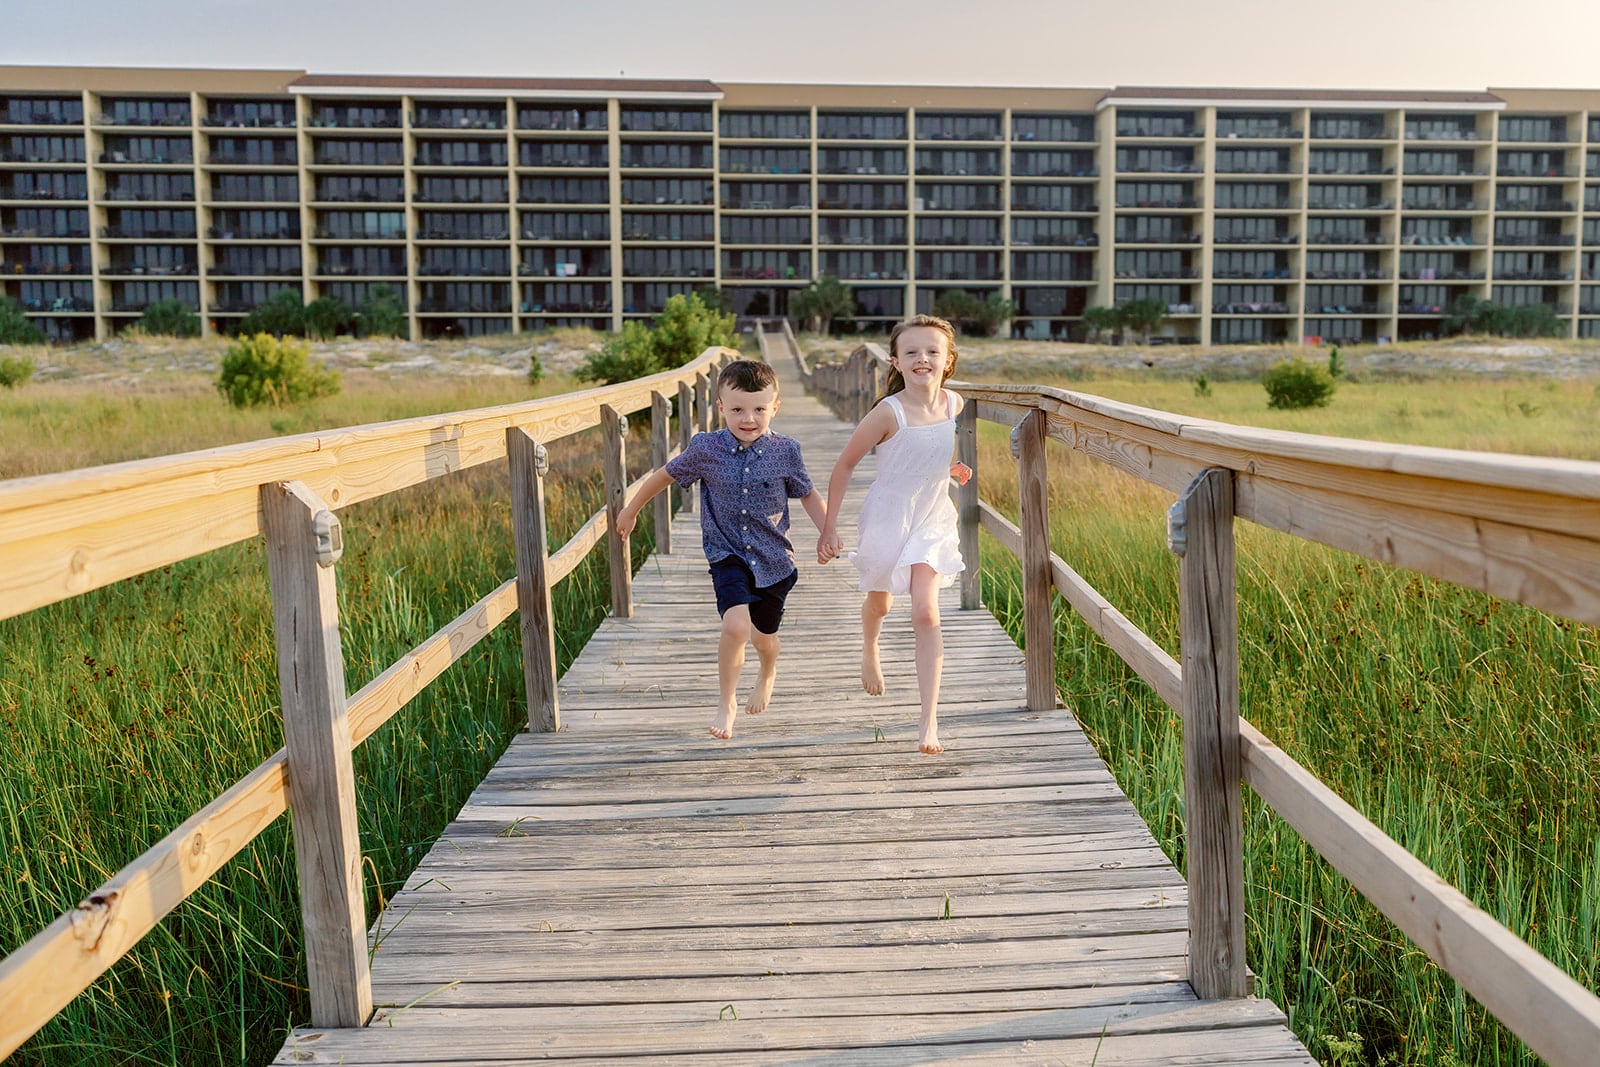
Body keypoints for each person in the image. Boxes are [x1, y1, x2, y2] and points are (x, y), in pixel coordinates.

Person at [615, 359, 827, 740]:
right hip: (726, 553)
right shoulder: (705, 449)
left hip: (774, 559)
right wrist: (631, 510)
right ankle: (726, 702)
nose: (749, 418)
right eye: (738, 409)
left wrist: (828, 532)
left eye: (760, 409)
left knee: (764, 638)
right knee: (735, 625)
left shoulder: (787, 451)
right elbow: (664, 476)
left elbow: (808, 494)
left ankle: (767, 671)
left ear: (775, 407)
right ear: (720, 408)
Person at [817, 315, 971, 755]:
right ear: (896, 362)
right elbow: (845, 464)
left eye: (932, 351)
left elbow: (932, 450)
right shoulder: (888, 412)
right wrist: (830, 527)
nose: (923, 358)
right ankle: (870, 646)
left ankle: (929, 721)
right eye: (912, 352)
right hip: (889, 518)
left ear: (948, 360)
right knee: (880, 601)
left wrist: (948, 468)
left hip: (933, 519)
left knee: (926, 613)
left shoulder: (953, 403)